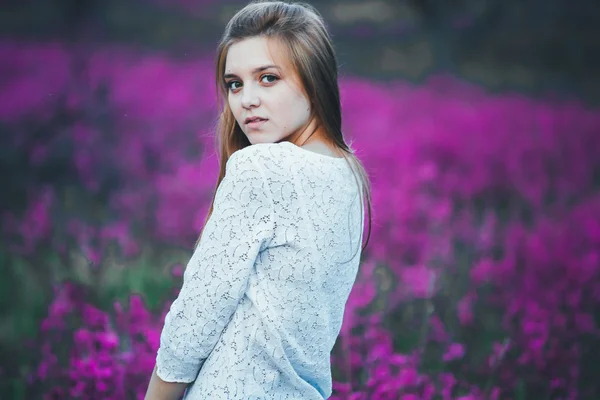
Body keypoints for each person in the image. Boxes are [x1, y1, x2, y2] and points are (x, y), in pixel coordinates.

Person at [145, 0, 372, 398]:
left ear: (313, 79)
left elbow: (196, 318)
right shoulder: (348, 173)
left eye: (267, 78)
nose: (246, 99)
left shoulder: (263, 167)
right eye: (235, 83)